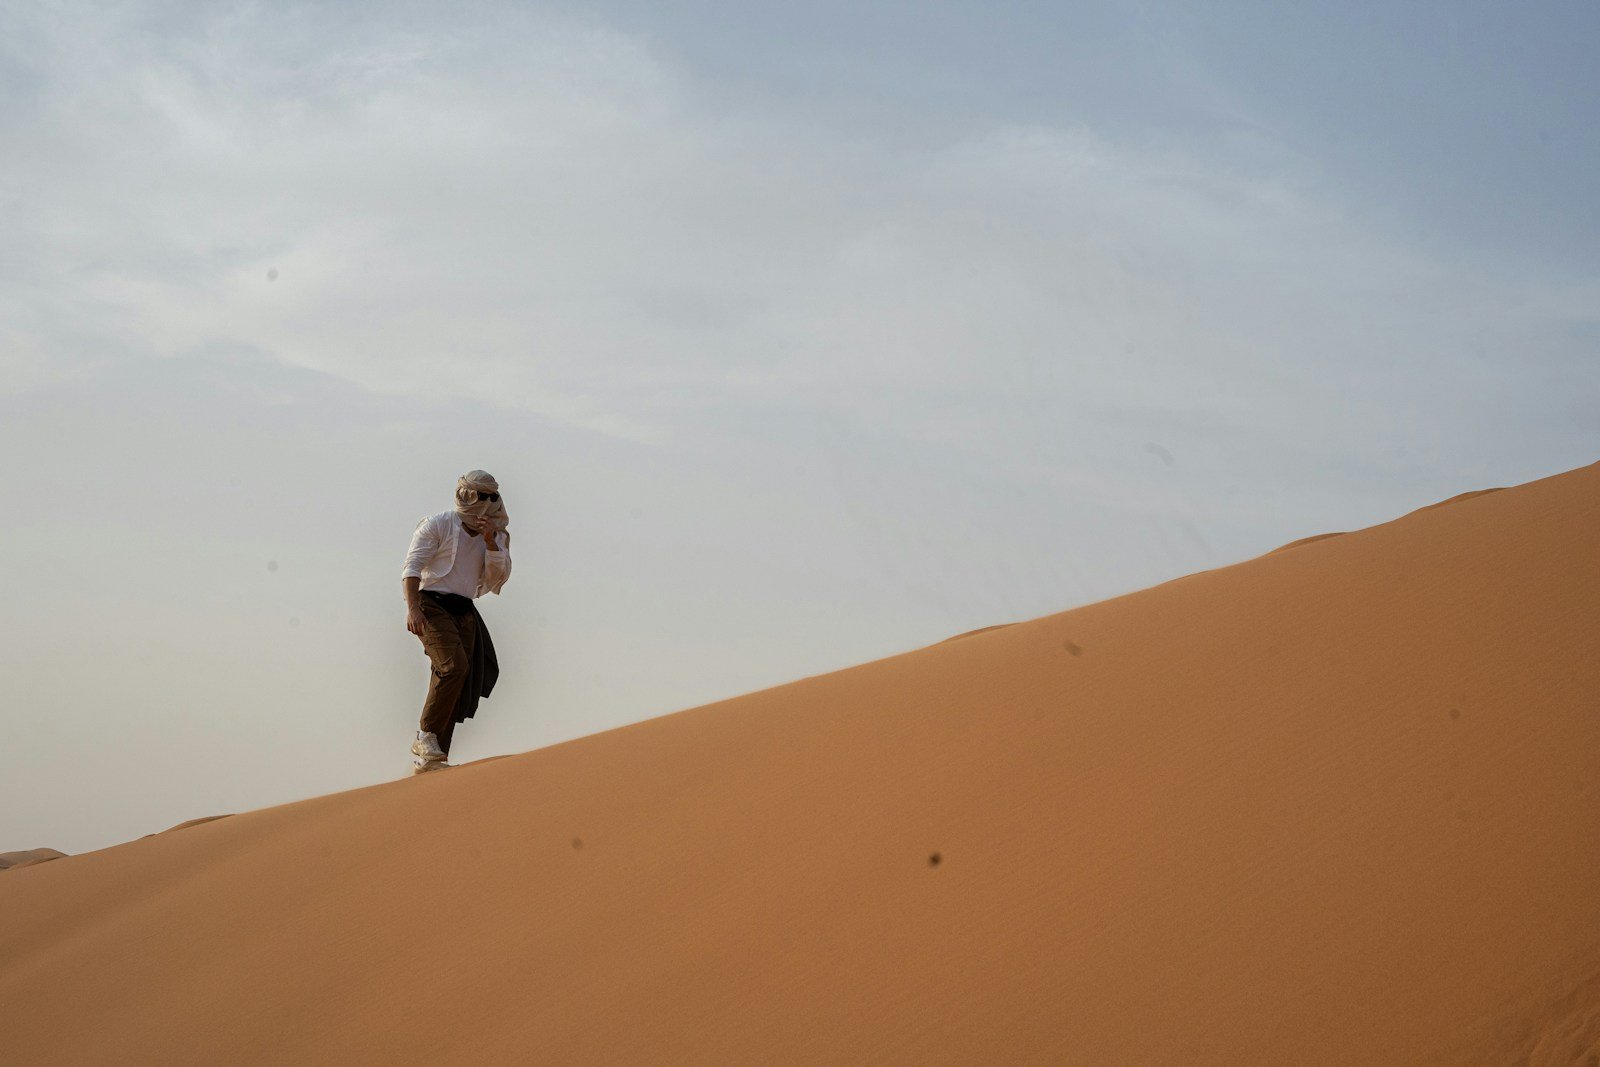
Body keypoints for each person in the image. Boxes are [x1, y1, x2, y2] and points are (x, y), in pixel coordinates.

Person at [401, 470, 512, 773]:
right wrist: (413, 609)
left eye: (493, 496)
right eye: (480, 496)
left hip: (464, 609)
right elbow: (411, 568)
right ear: (466, 495)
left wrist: (489, 542)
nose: (487, 503)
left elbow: (495, 579)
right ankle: (425, 736)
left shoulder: (497, 535)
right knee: (453, 666)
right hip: (431, 603)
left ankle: (432, 760)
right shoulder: (437, 524)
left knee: (458, 678)